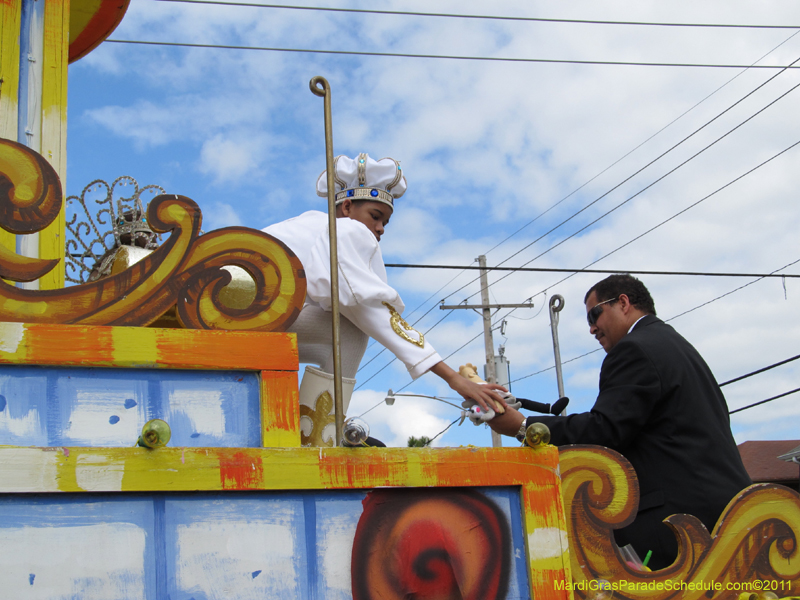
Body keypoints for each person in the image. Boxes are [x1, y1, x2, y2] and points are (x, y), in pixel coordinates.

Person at [488, 274, 751, 570]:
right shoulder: (676, 345)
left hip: (680, 526)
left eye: (594, 314)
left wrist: (523, 427)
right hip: (727, 515)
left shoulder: (634, 349)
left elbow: (605, 431)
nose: (591, 328)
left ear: (623, 302)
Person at [263, 153, 506, 446]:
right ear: (347, 207)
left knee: (342, 326)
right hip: (251, 320)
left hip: (235, 318)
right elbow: (370, 308)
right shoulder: (346, 229)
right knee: (350, 331)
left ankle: (314, 429)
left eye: (385, 223)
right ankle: (315, 440)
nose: (379, 229)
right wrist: (451, 377)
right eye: (375, 217)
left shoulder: (307, 224)